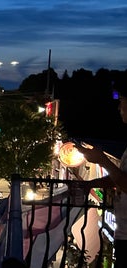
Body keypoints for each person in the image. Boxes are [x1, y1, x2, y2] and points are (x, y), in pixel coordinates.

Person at [75, 87, 127, 268]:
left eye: (122, 101)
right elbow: (119, 177)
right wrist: (91, 183)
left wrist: (103, 160)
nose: (119, 108)